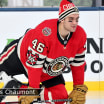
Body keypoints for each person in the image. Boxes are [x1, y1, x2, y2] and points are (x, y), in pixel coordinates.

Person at [0, 0, 88, 104]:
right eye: (71, 19)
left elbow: (78, 64)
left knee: (60, 97)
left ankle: (17, 87)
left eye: (77, 19)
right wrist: (33, 89)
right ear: (62, 19)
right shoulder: (44, 33)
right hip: (21, 56)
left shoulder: (80, 35)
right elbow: (34, 65)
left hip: (48, 70)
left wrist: (78, 87)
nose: (75, 23)